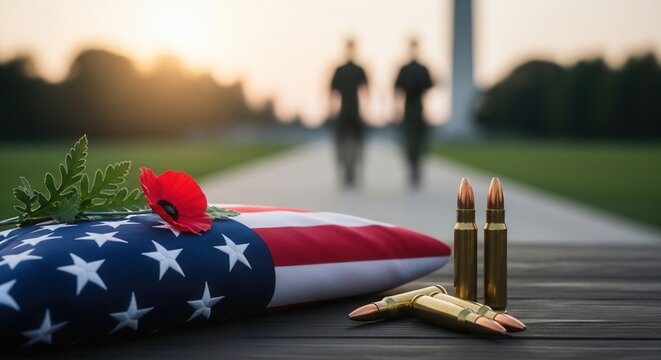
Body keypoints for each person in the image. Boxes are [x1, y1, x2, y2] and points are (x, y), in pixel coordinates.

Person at [395, 38, 434, 188]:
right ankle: (414, 167)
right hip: (415, 107)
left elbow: (397, 90)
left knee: (412, 140)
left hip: (412, 107)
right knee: (416, 140)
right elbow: (429, 87)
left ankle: (413, 167)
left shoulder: (405, 69)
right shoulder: (421, 69)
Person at [330, 38, 368, 188]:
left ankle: (350, 168)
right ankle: (347, 168)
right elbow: (332, 92)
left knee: (350, 142)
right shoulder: (352, 69)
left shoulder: (345, 70)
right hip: (348, 109)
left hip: (349, 109)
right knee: (348, 142)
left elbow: (365, 91)